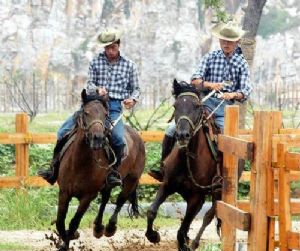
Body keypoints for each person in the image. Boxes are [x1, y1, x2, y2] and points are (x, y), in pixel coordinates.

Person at [149, 20, 252, 181]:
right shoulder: (210, 57)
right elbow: (195, 80)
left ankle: (226, 176)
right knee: (171, 129)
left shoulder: (242, 64)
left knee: (228, 140)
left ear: (237, 42)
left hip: (225, 110)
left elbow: (245, 91)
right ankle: (164, 167)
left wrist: (231, 95)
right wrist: (211, 85)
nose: (226, 43)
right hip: (203, 105)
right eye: (223, 40)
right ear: (219, 40)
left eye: (230, 41)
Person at [39, 28, 140, 188]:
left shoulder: (129, 65)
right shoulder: (95, 62)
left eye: (112, 47)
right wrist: (97, 89)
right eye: (107, 47)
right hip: (92, 104)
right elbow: (90, 84)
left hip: (113, 107)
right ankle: (54, 168)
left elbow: (136, 89)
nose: (109, 51)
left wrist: (132, 99)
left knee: (119, 139)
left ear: (118, 45)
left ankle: (113, 173)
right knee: (62, 131)